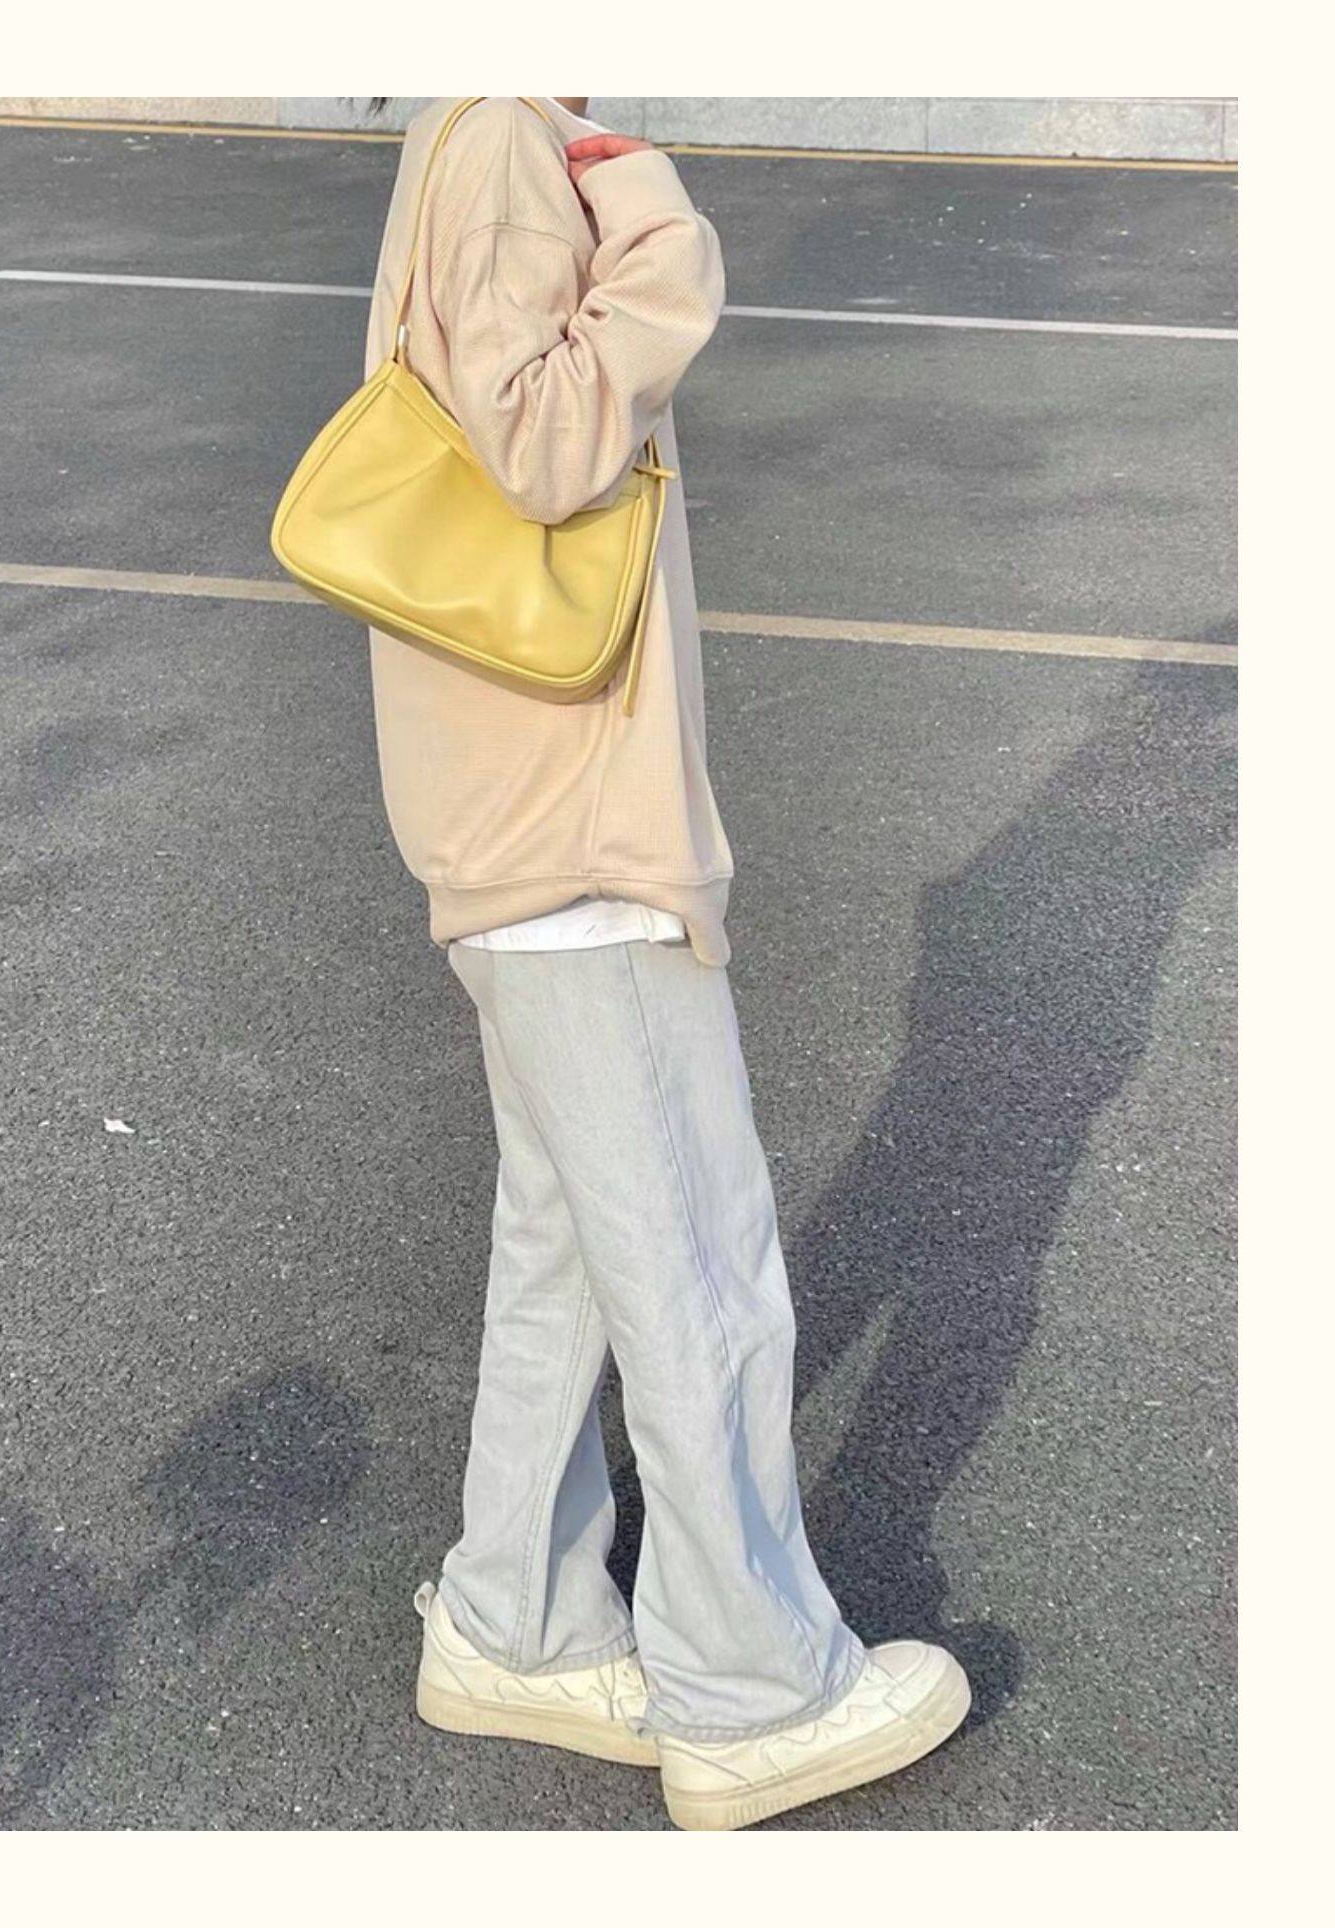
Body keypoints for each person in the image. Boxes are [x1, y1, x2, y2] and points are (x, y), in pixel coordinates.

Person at [361, 95, 970, 1830]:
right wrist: (662, 231)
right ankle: (755, 1689)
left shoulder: (482, 123)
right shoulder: (507, 129)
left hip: (524, 811)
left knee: (566, 1250)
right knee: (698, 1270)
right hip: (569, 826)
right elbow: (540, 440)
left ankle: (517, 1620)